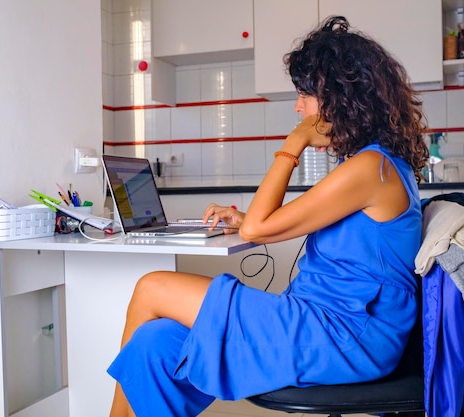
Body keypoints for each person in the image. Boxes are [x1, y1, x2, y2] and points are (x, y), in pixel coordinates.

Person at [107, 15, 429, 417]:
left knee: (151, 288)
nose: (298, 107)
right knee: (154, 344)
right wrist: (244, 219)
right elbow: (279, 224)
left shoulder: (370, 169)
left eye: (304, 95)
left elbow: (263, 227)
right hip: (326, 321)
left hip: (345, 334)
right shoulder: (373, 166)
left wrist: (294, 141)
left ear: (338, 96)